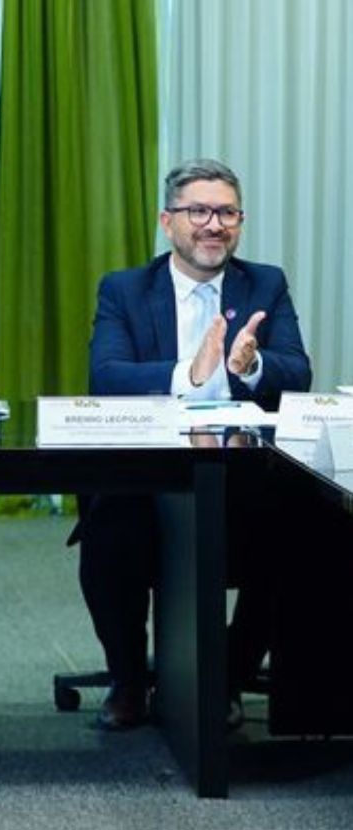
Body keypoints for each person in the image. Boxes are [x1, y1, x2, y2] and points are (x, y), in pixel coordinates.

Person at [79, 158, 312, 731]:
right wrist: (191, 374)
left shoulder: (265, 283)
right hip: (145, 477)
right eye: (199, 211)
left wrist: (251, 366)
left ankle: (226, 678)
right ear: (168, 222)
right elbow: (106, 376)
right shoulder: (126, 289)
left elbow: (298, 371)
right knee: (109, 537)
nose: (214, 225)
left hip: (238, 477)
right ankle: (128, 681)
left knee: (294, 540)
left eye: (227, 213)